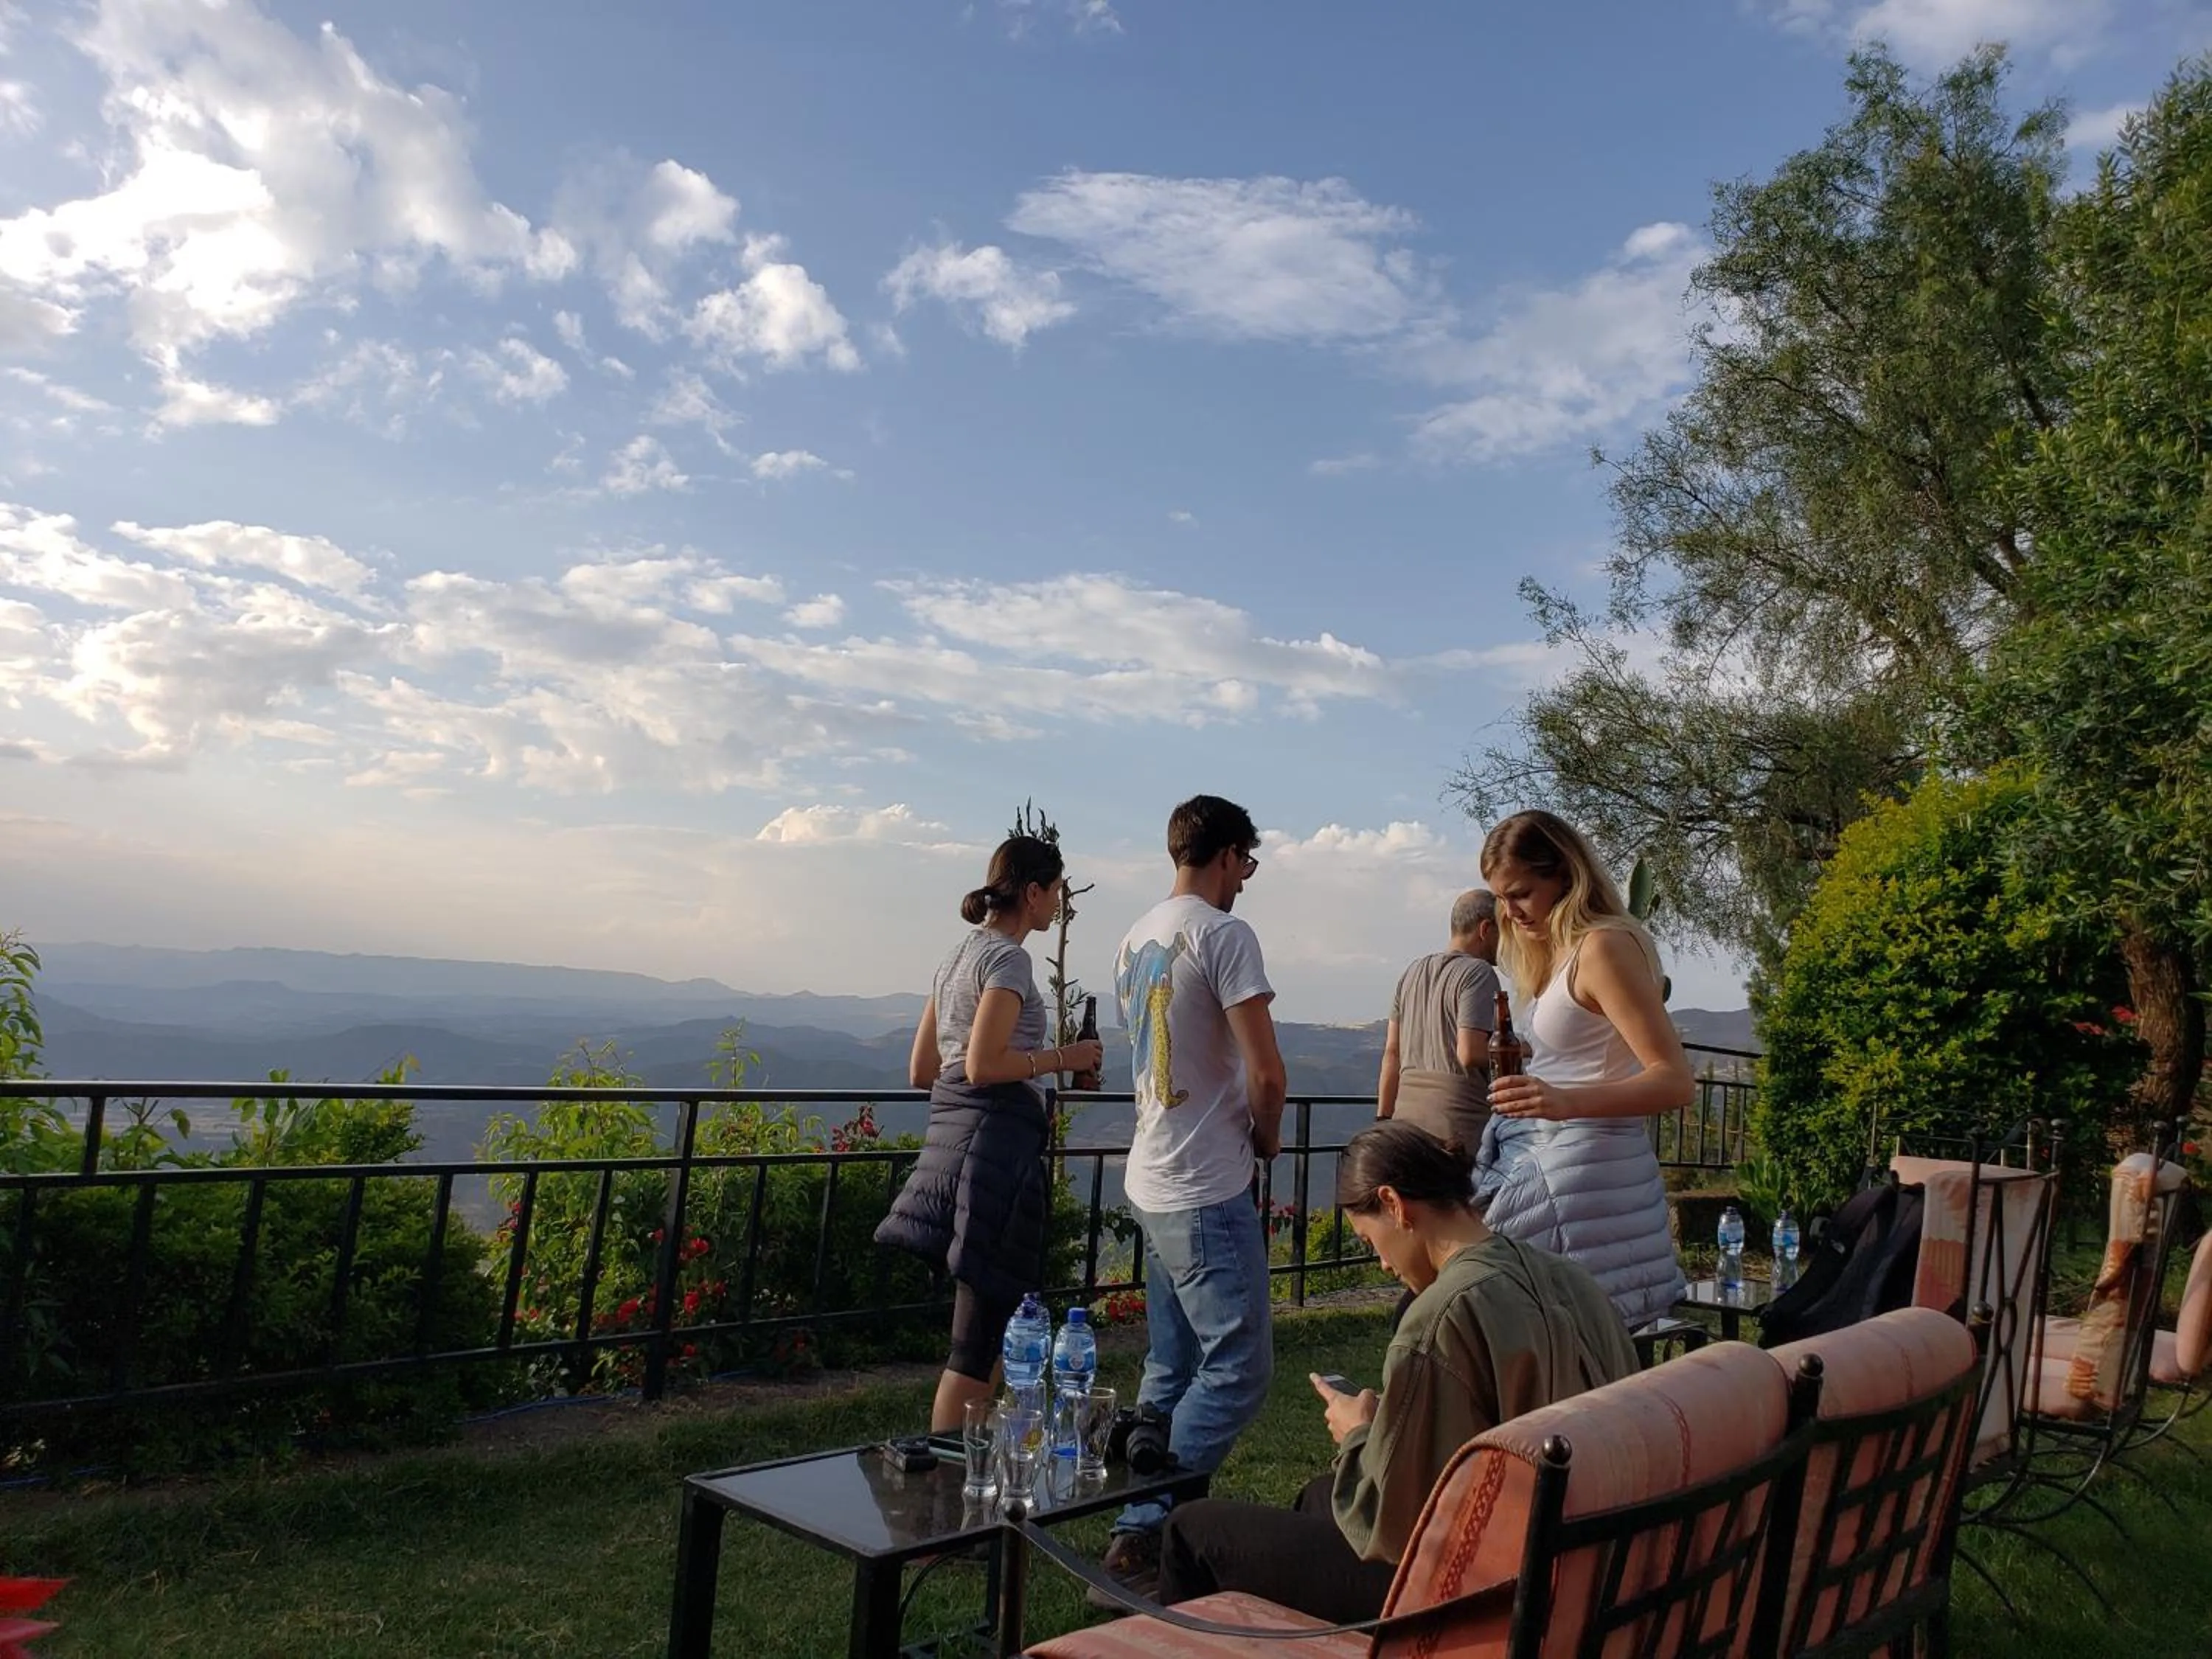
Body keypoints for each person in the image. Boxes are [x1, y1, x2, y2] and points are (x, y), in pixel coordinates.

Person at [1151, 1121, 1638, 1625]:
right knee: (1320, 1496)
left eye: (1369, 1239)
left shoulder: (1441, 1316)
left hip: (1483, 1590)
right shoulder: (1571, 1279)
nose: (1381, 1263)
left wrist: (1360, 1435)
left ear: (1394, 1204)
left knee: (1191, 1531)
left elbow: (1394, 1527)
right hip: (1582, 1557)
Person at [1099, 794, 1288, 1599]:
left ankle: (1136, 1536)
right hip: (1206, 1182)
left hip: (1150, 1171)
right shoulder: (1225, 935)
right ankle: (1146, 1529)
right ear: (1225, 856)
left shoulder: (1133, 936)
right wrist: (1266, 1137)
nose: (1246, 878)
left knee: (1174, 1363)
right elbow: (1267, 1071)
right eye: (1246, 862)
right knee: (1241, 1367)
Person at [874, 835, 1105, 1431]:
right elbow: (983, 1066)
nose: (1058, 905)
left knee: (991, 1328)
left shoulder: (953, 960)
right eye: (1054, 892)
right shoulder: (1009, 960)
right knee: (979, 1340)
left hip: (950, 1143)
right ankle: (948, 1481)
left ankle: (968, 1460)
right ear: (1032, 892)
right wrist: (1065, 1056)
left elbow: (925, 1070)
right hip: (995, 1152)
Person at [1478, 810, 1693, 1332]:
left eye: (1522, 893)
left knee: (1547, 1337)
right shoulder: (1561, 954)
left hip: (1589, 1178)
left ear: (1565, 877)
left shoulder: (1603, 948)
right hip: (1571, 1172)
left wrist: (1566, 1101)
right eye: (1501, 898)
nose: (1510, 912)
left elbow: (1675, 1079)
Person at [1376, 888, 1503, 1155]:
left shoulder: (1411, 973)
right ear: (1485, 929)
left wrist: (1383, 1121)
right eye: (1504, 931)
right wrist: (1528, 1047)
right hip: (1457, 1129)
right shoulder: (1479, 973)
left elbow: (1392, 1052)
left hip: (1406, 1127)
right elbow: (1470, 1053)